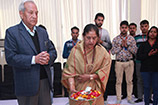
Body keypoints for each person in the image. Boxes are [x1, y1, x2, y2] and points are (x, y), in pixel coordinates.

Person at [4, 1, 57, 105]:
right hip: (26, 86)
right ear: (21, 14)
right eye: (31, 13)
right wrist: (34, 59)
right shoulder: (12, 32)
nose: (34, 16)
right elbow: (10, 58)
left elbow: (53, 51)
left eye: (36, 13)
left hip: (45, 84)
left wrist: (48, 57)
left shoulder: (42, 32)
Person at [61, 24, 111, 105]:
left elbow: (105, 69)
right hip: (79, 90)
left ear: (98, 38)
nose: (91, 41)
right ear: (83, 36)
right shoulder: (75, 51)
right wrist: (72, 87)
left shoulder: (102, 52)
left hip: (95, 90)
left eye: (94, 38)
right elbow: (69, 73)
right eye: (88, 38)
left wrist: (90, 77)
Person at [111, 20, 137, 104]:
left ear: (128, 28)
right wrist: (120, 46)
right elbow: (112, 51)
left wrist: (127, 46)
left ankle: (129, 98)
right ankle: (119, 97)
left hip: (129, 62)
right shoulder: (116, 39)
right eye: (122, 28)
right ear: (120, 28)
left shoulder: (131, 39)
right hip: (119, 62)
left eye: (126, 28)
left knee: (129, 81)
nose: (124, 29)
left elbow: (135, 51)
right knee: (118, 81)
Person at [137, 26, 158, 105]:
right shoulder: (143, 45)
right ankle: (146, 103)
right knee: (146, 88)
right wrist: (148, 54)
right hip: (145, 69)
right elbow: (139, 56)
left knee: (156, 88)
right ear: (148, 33)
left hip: (156, 69)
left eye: (155, 32)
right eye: (151, 32)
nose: (153, 33)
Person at [94, 12, 112, 105]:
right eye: (98, 20)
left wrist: (101, 42)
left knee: (104, 78)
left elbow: (109, 45)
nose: (100, 22)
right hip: (93, 60)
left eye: (102, 20)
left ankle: (104, 99)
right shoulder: (90, 30)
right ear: (95, 20)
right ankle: (94, 98)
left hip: (103, 60)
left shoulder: (105, 32)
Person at [134, 20, 151, 103]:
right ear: (140, 28)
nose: (144, 28)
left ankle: (149, 97)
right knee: (139, 79)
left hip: (149, 62)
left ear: (148, 27)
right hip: (139, 61)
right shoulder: (136, 38)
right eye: (142, 26)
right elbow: (134, 49)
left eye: (145, 26)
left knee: (149, 79)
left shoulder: (151, 37)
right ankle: (140, 97)